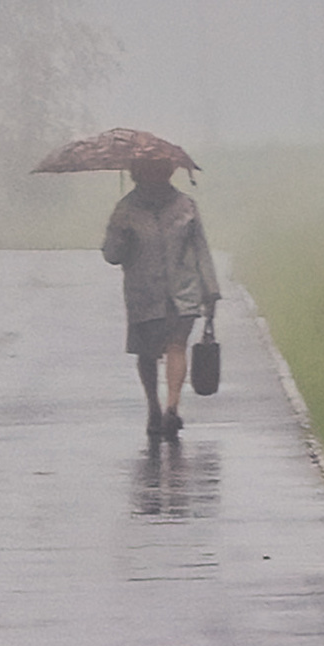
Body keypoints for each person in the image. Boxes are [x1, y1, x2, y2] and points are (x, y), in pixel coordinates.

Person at [101, 150, 219, 440]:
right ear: (137, 174)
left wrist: (211, 290)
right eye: (148, 171)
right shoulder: (125, 211)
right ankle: (154, 406)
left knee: (177, 345)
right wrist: (120, 234)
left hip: (183, 292)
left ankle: (171, 408)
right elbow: (112, 255)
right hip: (143, 293)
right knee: (147, 354)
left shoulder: (186, 207)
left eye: (159, 171)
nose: (155, 177)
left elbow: (201, 249)